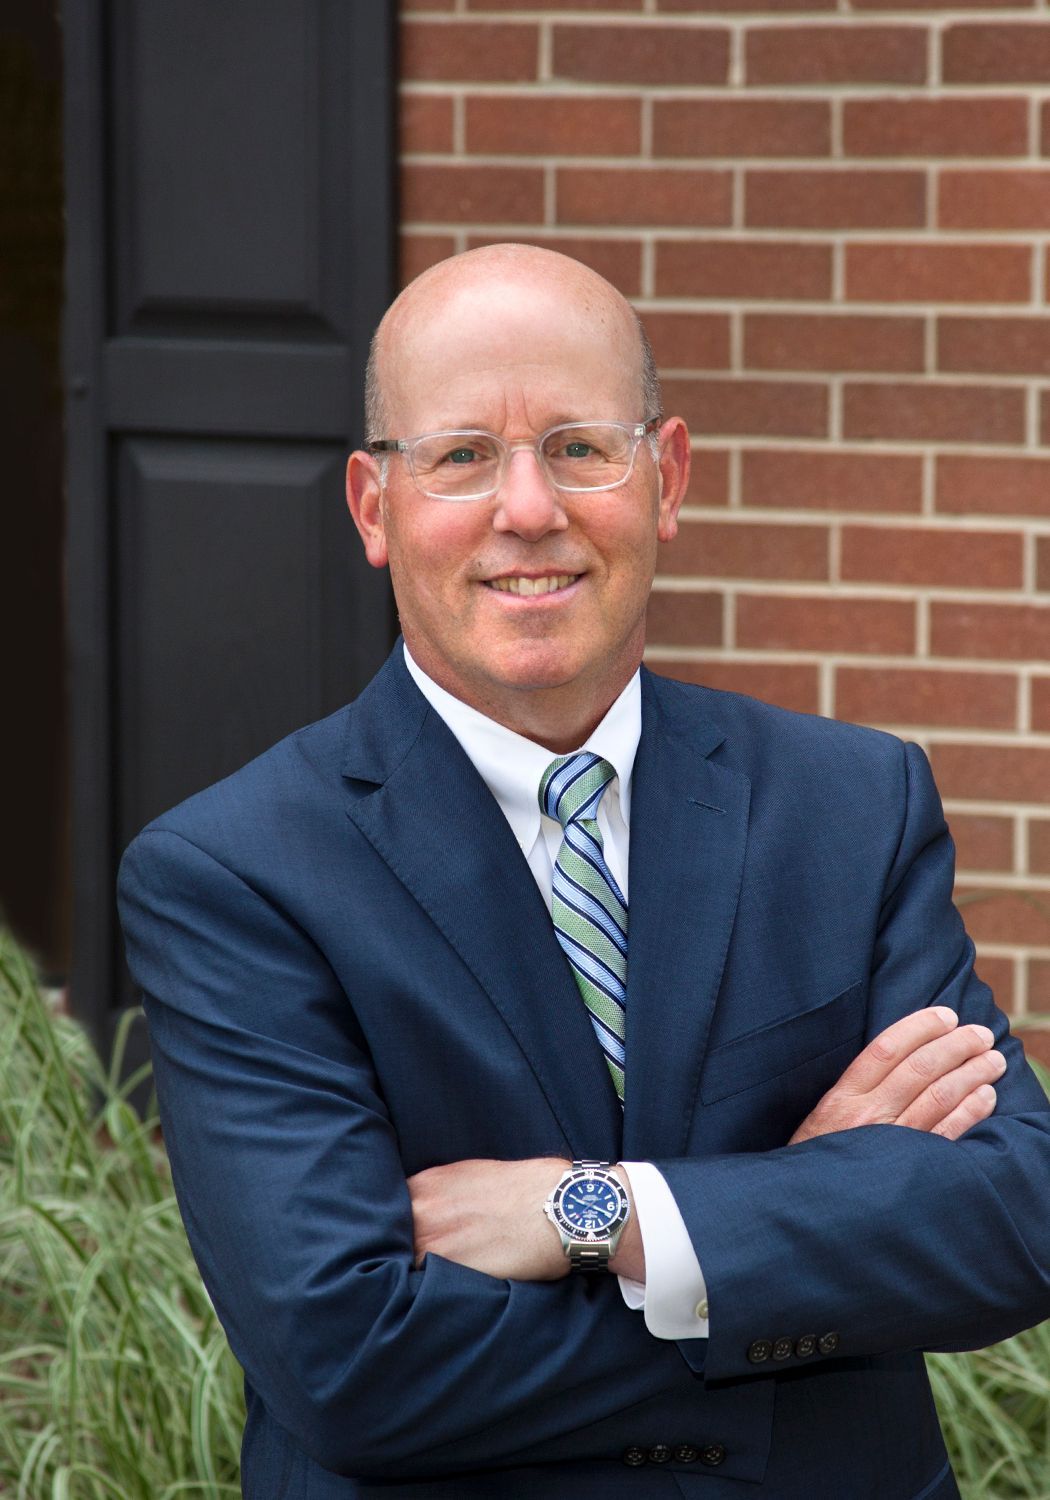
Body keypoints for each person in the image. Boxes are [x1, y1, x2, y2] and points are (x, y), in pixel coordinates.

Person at [117, 244, 1050, 1500]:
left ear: (663, 478)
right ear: (374, 509)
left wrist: (599, 1216)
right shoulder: (233, 874)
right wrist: (792, 1240)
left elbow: (1013, 1219)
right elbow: (351, 1364)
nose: (528, 510)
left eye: (577, 447)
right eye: (460, 456)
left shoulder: (851, 804)